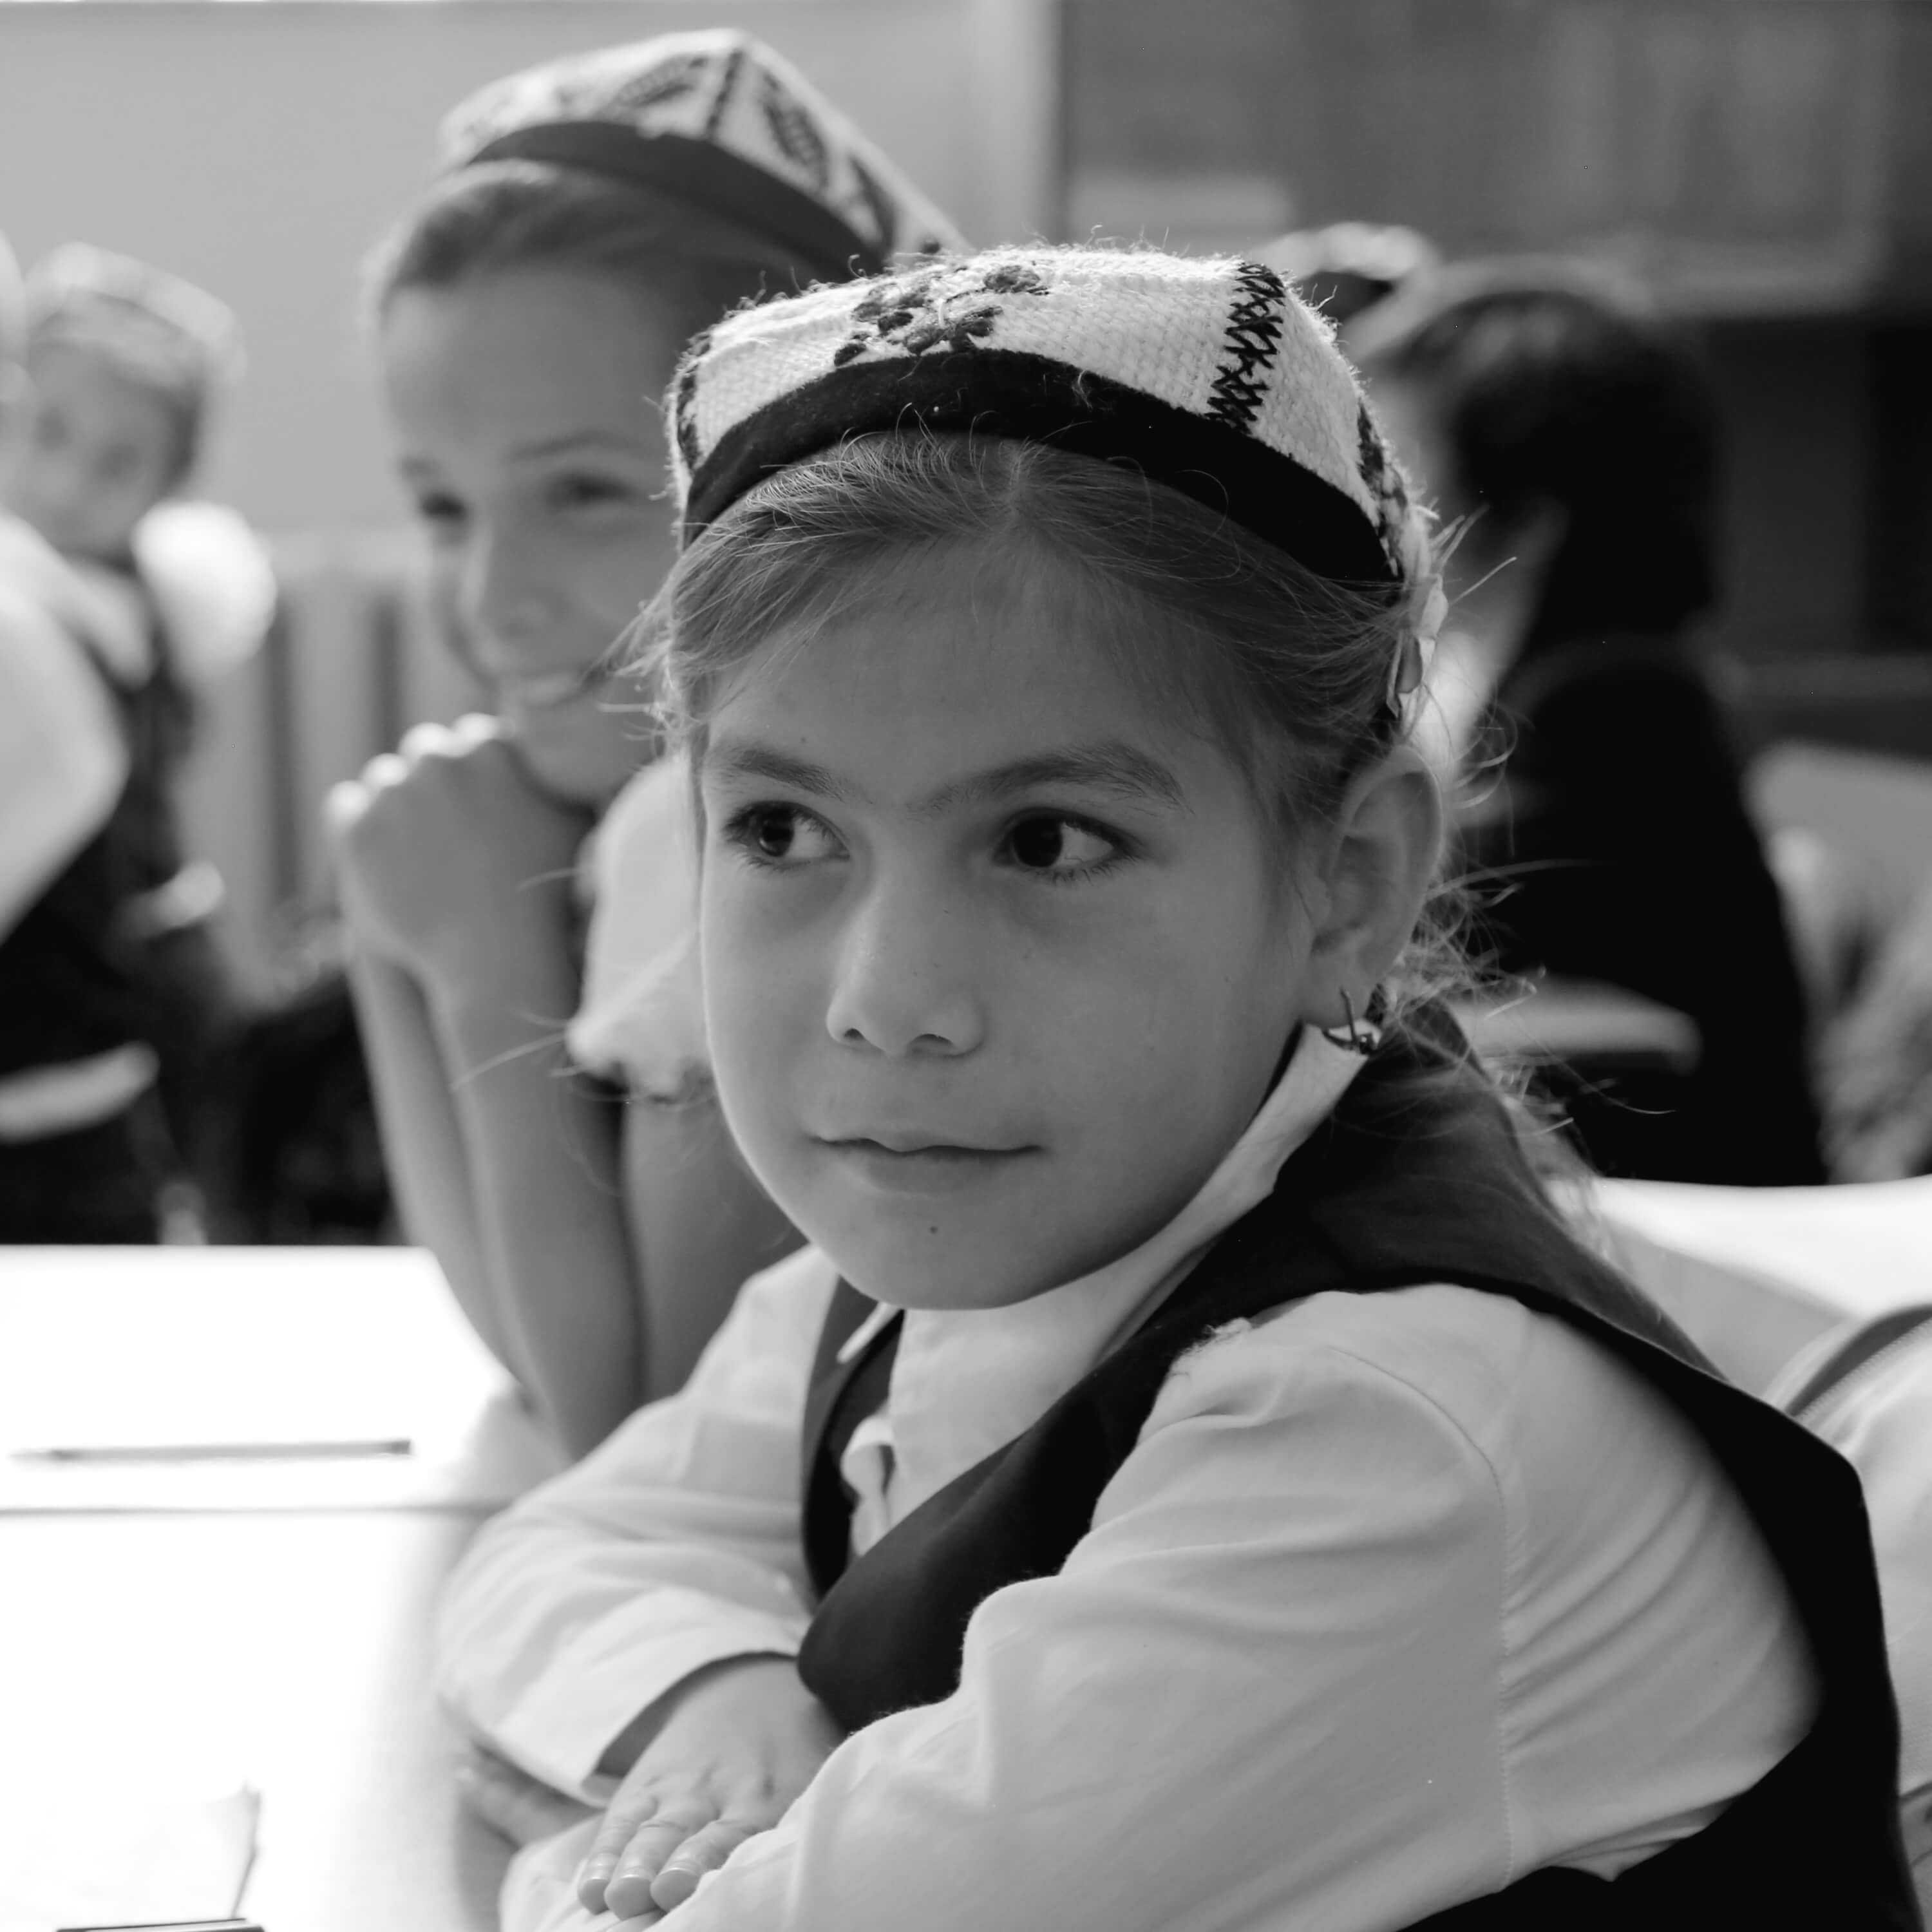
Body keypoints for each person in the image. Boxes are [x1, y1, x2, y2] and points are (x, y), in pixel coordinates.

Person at [433, 248, 1915, 1931]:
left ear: (1347, 885)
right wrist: (714, 1701)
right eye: (784, 833)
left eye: (1047, 841)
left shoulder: (1386, 1438)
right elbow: (553, 1550)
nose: (886, 1003)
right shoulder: (953, 1246)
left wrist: (616, 1854)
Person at [327, 33, 963, 1456]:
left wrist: (478, 960)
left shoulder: (742, 818)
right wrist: (401, 936)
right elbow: (534, 1339)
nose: (491, 597)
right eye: (443, 507)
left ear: (798, 472)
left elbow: (634, 1423)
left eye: (586, 493)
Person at [1349, 262, 1825, 1185]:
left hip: (1692, 1199)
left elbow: (1422, 914)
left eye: (1400, 470)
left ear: (1528, 510)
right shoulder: (1530, 674)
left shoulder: (1619, 700)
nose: (1378, 510)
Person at [0, 240, 269, 1240]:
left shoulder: (61, 621)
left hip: (62, 1054)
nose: (67, 482)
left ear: (172, 482)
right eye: (48, 432)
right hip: (108, 1015)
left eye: (119, 460)